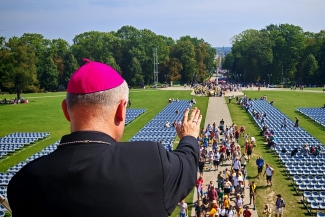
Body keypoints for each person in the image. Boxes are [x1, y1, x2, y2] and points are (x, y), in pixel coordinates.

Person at [7, 59, 202, 217]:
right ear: (121, 110)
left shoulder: (23, 182)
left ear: (66, 111)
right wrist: (189, 136)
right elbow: (187, 165)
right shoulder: (149, 160)